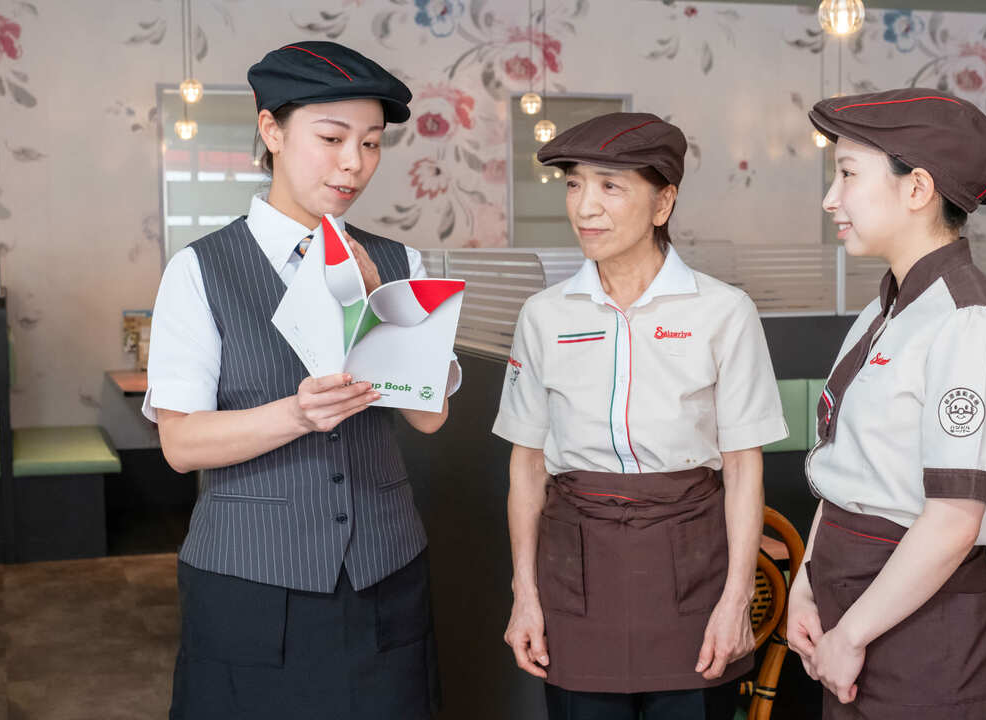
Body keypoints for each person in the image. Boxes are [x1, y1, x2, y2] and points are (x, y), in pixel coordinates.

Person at [143, 41, 458, 719]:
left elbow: (430, 416)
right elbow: (181, 444)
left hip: (384, 573)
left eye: (370, 143)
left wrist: (385, 315)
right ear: (272, 130)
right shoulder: (200, 270)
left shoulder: (398, 261)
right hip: (249, 582)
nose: (354, 163)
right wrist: (297, 413)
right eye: (332, 138)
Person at [492, 112, 788, 720]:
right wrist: (524, 593)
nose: (585, 207)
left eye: (610, 186)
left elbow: (743, 469)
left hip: (691, 568)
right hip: (575, 569)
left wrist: (736, 599)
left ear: (663, 203)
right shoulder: (544, 315)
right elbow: (526, 466)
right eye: (574, 185)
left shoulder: (723, 311)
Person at [784, 88, 986, 719]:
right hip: (853, 613)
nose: (831, 199)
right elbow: (847, 470)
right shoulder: (886, 312)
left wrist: (850, 635)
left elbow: (953, 519)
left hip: (931, 638)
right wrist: (806, 585)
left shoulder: (968, 321)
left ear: (917, 188)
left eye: (847, 175)